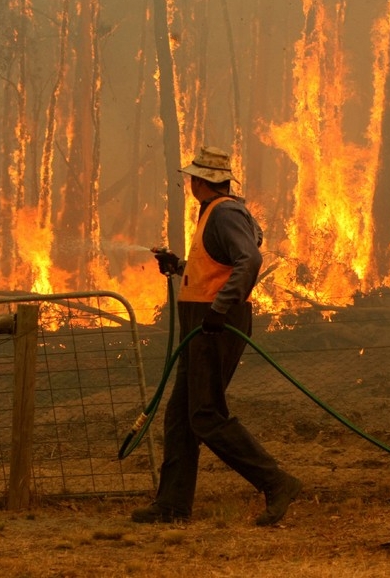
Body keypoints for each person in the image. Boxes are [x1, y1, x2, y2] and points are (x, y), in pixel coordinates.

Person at [132, 145, 302, 526]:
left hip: (215, 324)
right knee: (180, 414)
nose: (189, 182)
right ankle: (172, 504)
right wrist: (179, 267)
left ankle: (276, 482)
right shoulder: (213, 214)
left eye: (192, 177)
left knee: (205, 414)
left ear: (201, 181)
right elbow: (217, 267)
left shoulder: (224, 213)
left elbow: (250, 260)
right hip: (202, 323)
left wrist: (220, 309)